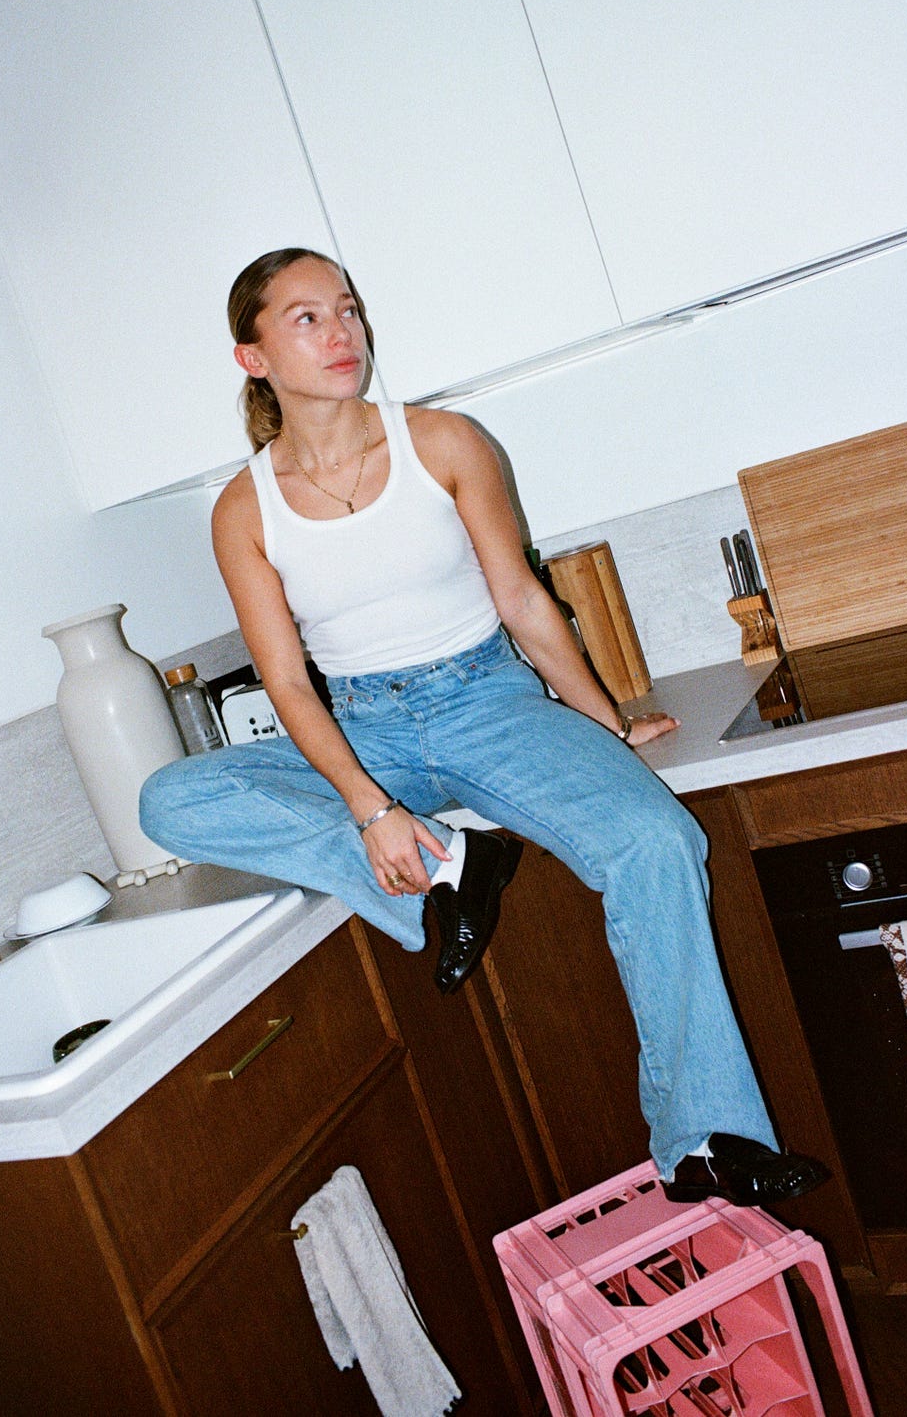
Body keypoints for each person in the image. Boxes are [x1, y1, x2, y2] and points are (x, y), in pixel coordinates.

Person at [140, 247, 828, 1206]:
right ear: (251, 356)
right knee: (173, 799)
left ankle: (703, 1137)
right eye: (306, 318)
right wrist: (370, 808)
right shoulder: (242, 508)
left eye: (348, 308)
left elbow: (524, 601)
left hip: (487, 703)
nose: (341, 332)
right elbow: (290, 684)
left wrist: (600, 724)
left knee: (658, 840)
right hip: (364, 728)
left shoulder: (444, 443)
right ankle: (452, 868)